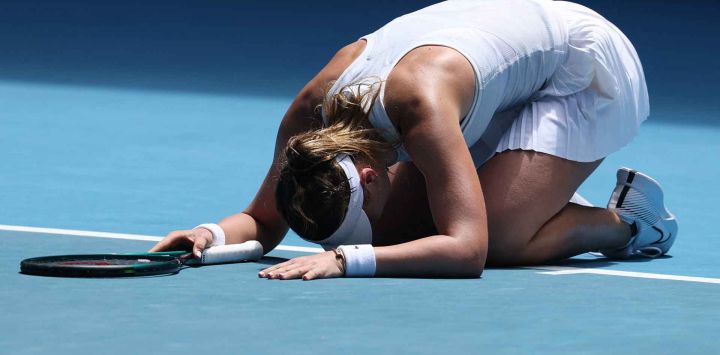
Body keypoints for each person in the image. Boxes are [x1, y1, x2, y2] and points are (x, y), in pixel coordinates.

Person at [151, 0, 677, 280]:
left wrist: (345, 260)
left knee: (501, 238)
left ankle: (632, 224)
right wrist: (208, 236)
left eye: (365, 209)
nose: (366, 227)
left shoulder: (420, 110)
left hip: (579, 66)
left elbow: (468, 251)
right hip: (497, 61)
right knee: (409, 226)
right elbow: (265, 222)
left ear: (370, 173)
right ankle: (537, 192)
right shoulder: (305, 125)